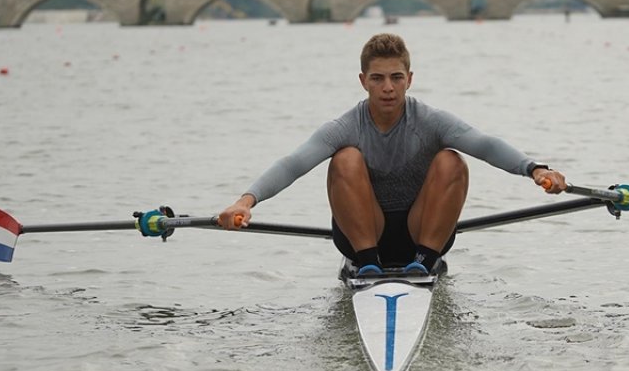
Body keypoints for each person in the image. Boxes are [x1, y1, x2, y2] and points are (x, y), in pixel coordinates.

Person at [217, 33, 566, 276]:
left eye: (396, 77)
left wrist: (535, 169)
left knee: (452, 159)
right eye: (378, 78)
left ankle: (424, 261)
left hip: (420, 232)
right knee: (345, 158)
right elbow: (294, 163)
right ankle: (368, 264)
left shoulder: (429, 121)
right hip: (361, 235)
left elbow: (485, 143)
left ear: (409, 79)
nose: (387, 87)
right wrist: (245, 202)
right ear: (363, 81)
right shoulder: (345, 126)